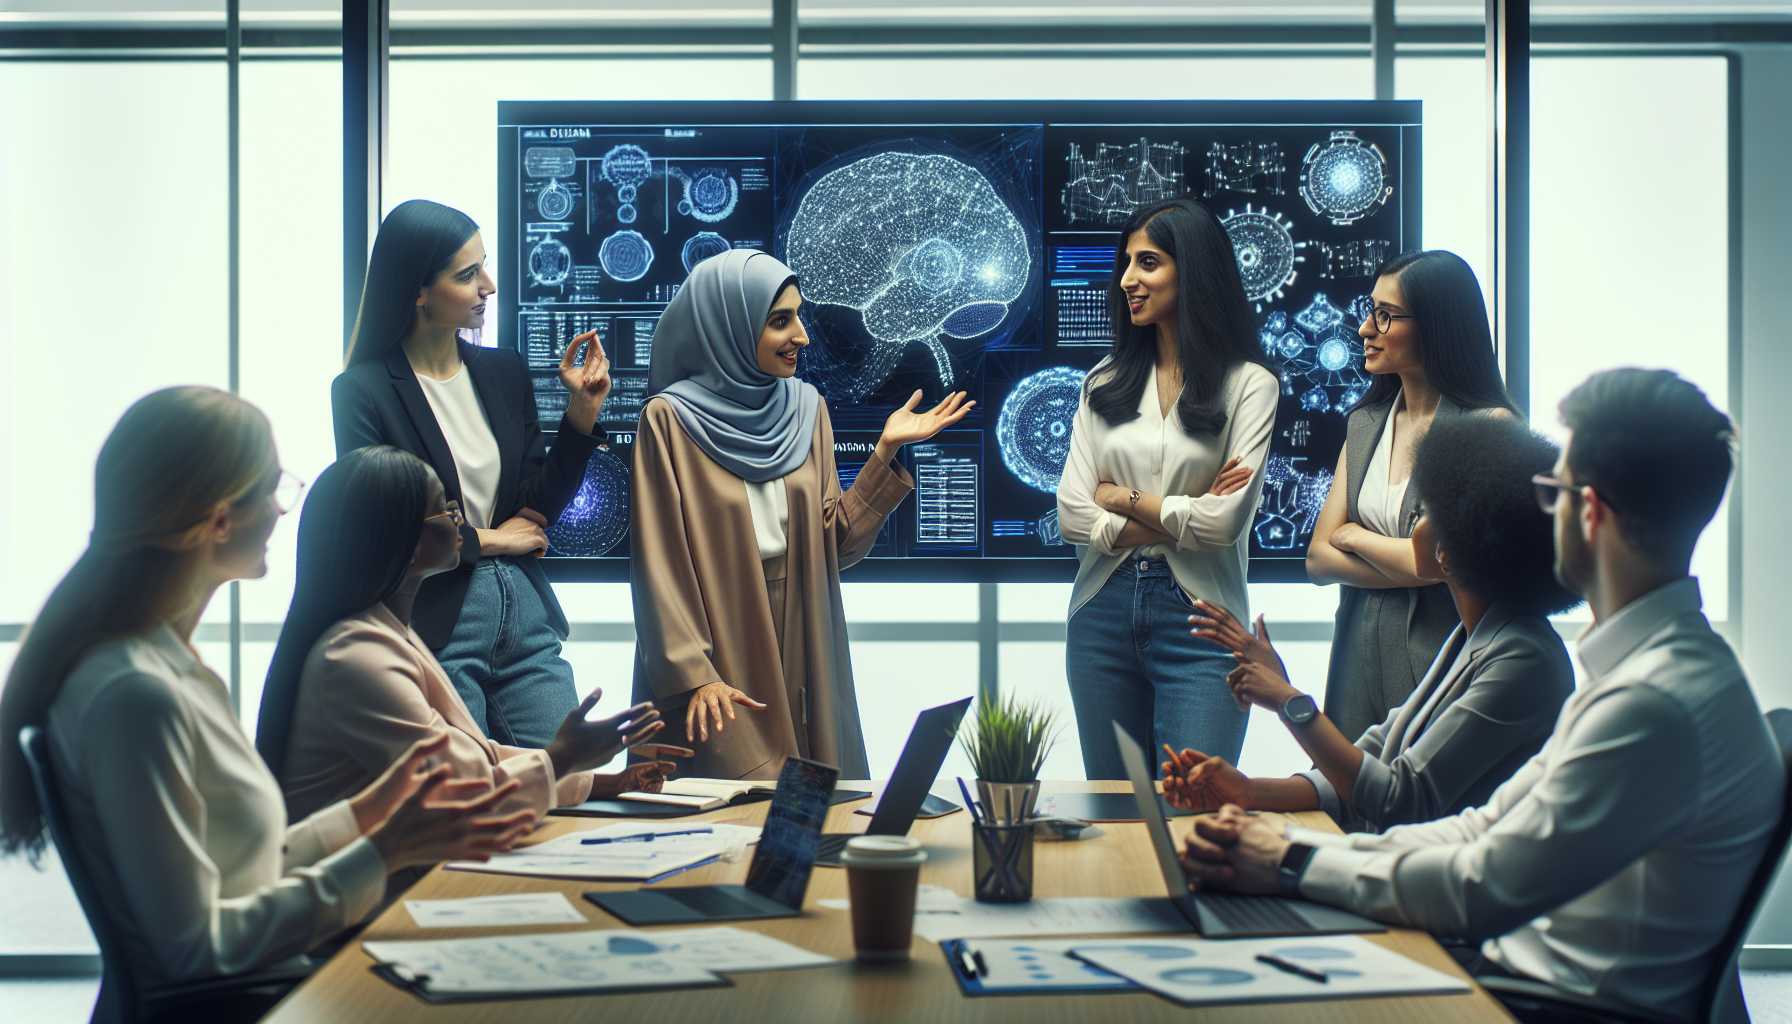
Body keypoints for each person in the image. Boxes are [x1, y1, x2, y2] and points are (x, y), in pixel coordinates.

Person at [1177, 368, 1783, 1021]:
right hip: (1514, 979)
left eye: (1552, 493)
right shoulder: (1648, 671)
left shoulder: (1650, 702)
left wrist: (1290, 862)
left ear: (1590, 510)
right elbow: (1482, 829)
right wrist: (1291, 848)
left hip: (1545, 1006)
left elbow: (1481, 888)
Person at [0, 387, 532, 994]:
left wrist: (370, 812)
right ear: (220, 518)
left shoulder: (168, 667)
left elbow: (245, 872)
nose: (284, 510)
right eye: (273, 486)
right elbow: (199, 948)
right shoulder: (135, 695)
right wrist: (381, 851)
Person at [630, 248, 972, 780]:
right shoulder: (669, 419)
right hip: (717, 633)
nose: (802, 336)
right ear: (729, 327)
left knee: (810, 800)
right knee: (729, 808)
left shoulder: (806, 408)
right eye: (779, 321)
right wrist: (694, 674)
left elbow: (835, 545)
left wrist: (883, 454)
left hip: (806, 624)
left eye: (799, 317)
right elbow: (660, 560)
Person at [1163, 414, 1579, 832]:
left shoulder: (1522, 658)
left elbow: (1399, 799)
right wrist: (1246, 791)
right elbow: (1371, 762)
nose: (1415, 523)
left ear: (1455, 551)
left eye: (1428, 512)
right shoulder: (1475, 638)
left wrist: (1290, 703)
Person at [258, 445, 693, 823]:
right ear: (404, 542)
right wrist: (563, 756)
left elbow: (478, 756)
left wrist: (605, 780)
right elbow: (460, 786)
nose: (460, 519)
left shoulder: (385, 633)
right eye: (445, 510)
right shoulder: (354, 658)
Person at [332, 198, 612, 747]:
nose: (488, 285)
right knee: (480, 801)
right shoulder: (361, 392)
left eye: (484, 265)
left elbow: (537, 508)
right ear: (418, 291)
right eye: (467, 275)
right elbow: (386, 530)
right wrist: (493, 541)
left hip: (525, 616)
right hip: (437, 619)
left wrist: (580, 414)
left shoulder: (503, 370)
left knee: (571, 778)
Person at [1055, 198, 1279, 778]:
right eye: (1127, 263)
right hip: (1100, 613)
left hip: (1204, 621)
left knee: (1193, 810)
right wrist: (1183, 510)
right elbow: (1071, 517)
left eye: (1148, 263)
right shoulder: (1102, 383)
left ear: (1194, 271)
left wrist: (1120, 498)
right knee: (1114, 816)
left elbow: (1223, 524)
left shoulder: (1249, 385)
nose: (1128, 279)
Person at [1306, 250, 1519, 741]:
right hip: (1355, 656)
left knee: (1428, 802)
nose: (1365, 328)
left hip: (1442, 657)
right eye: (1370, 308)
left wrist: (1354, 535)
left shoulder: (1490, 429)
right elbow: (1318, 560)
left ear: (1437, 326)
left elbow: (1439, 564)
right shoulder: (1364, 425)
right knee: (1350, 803)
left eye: (1386, 314)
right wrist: (1414, 564)